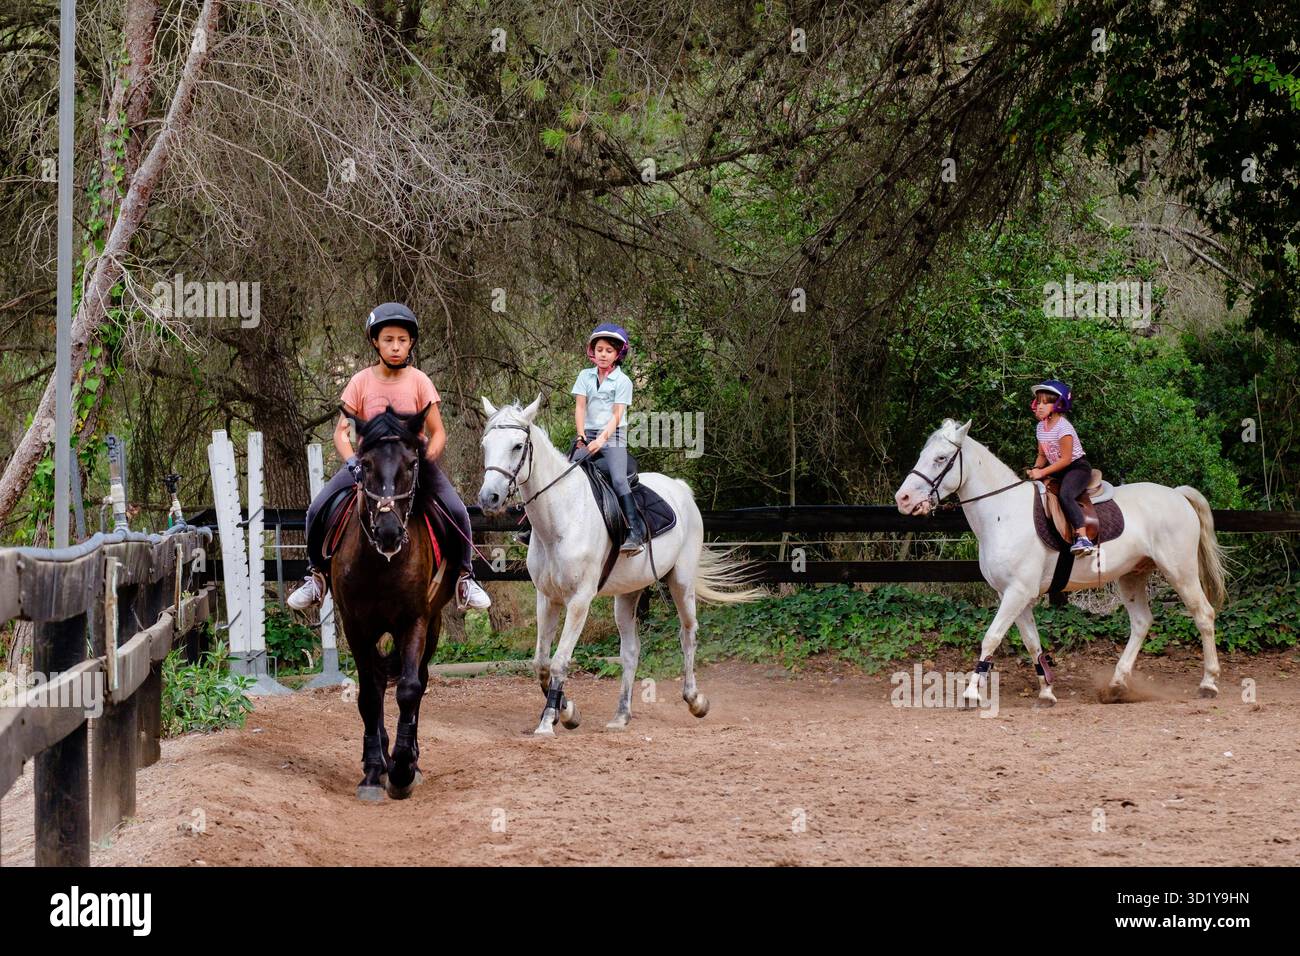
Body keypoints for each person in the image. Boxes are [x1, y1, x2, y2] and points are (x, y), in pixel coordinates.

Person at [287, 302, 491, 611]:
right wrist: (352, 462)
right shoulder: (360, 382)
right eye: (388, 340)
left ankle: (465, 576)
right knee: (316, 509)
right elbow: (342, 432)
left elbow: (438, 433)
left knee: (457, 510)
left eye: (402, 340)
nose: (396, 347)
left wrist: (424, 461)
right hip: (368, 466)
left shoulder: (420, 381)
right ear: (375, 342)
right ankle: (315, 576)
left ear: (410, 343)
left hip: (411, 466)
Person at [516, 322, 646, 554]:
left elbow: (618, 414)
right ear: (592, 352)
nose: (603, 354)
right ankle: (529, 526)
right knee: (559, 474)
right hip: (588, 435)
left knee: (618, 479)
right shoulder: (585, 376)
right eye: (599, 350)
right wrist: (581, 436)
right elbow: (580, 408)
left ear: (618, 354)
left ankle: (635, 531)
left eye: (609, 350)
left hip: (613, 436)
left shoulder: (623, 381)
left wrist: (601, 440)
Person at [1026, 379, 1095, 555]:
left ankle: (1083, 538)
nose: (1039, 406)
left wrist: (1042, 472)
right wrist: (1035, 469)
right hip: (1058, 469)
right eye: (1038, 402)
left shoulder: (1063, 428)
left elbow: (1065, 460)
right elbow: (1042, 455)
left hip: (1075, 468)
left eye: (1045, 402)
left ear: (1058, 404)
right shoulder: (1040, 427)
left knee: (1066, 494)